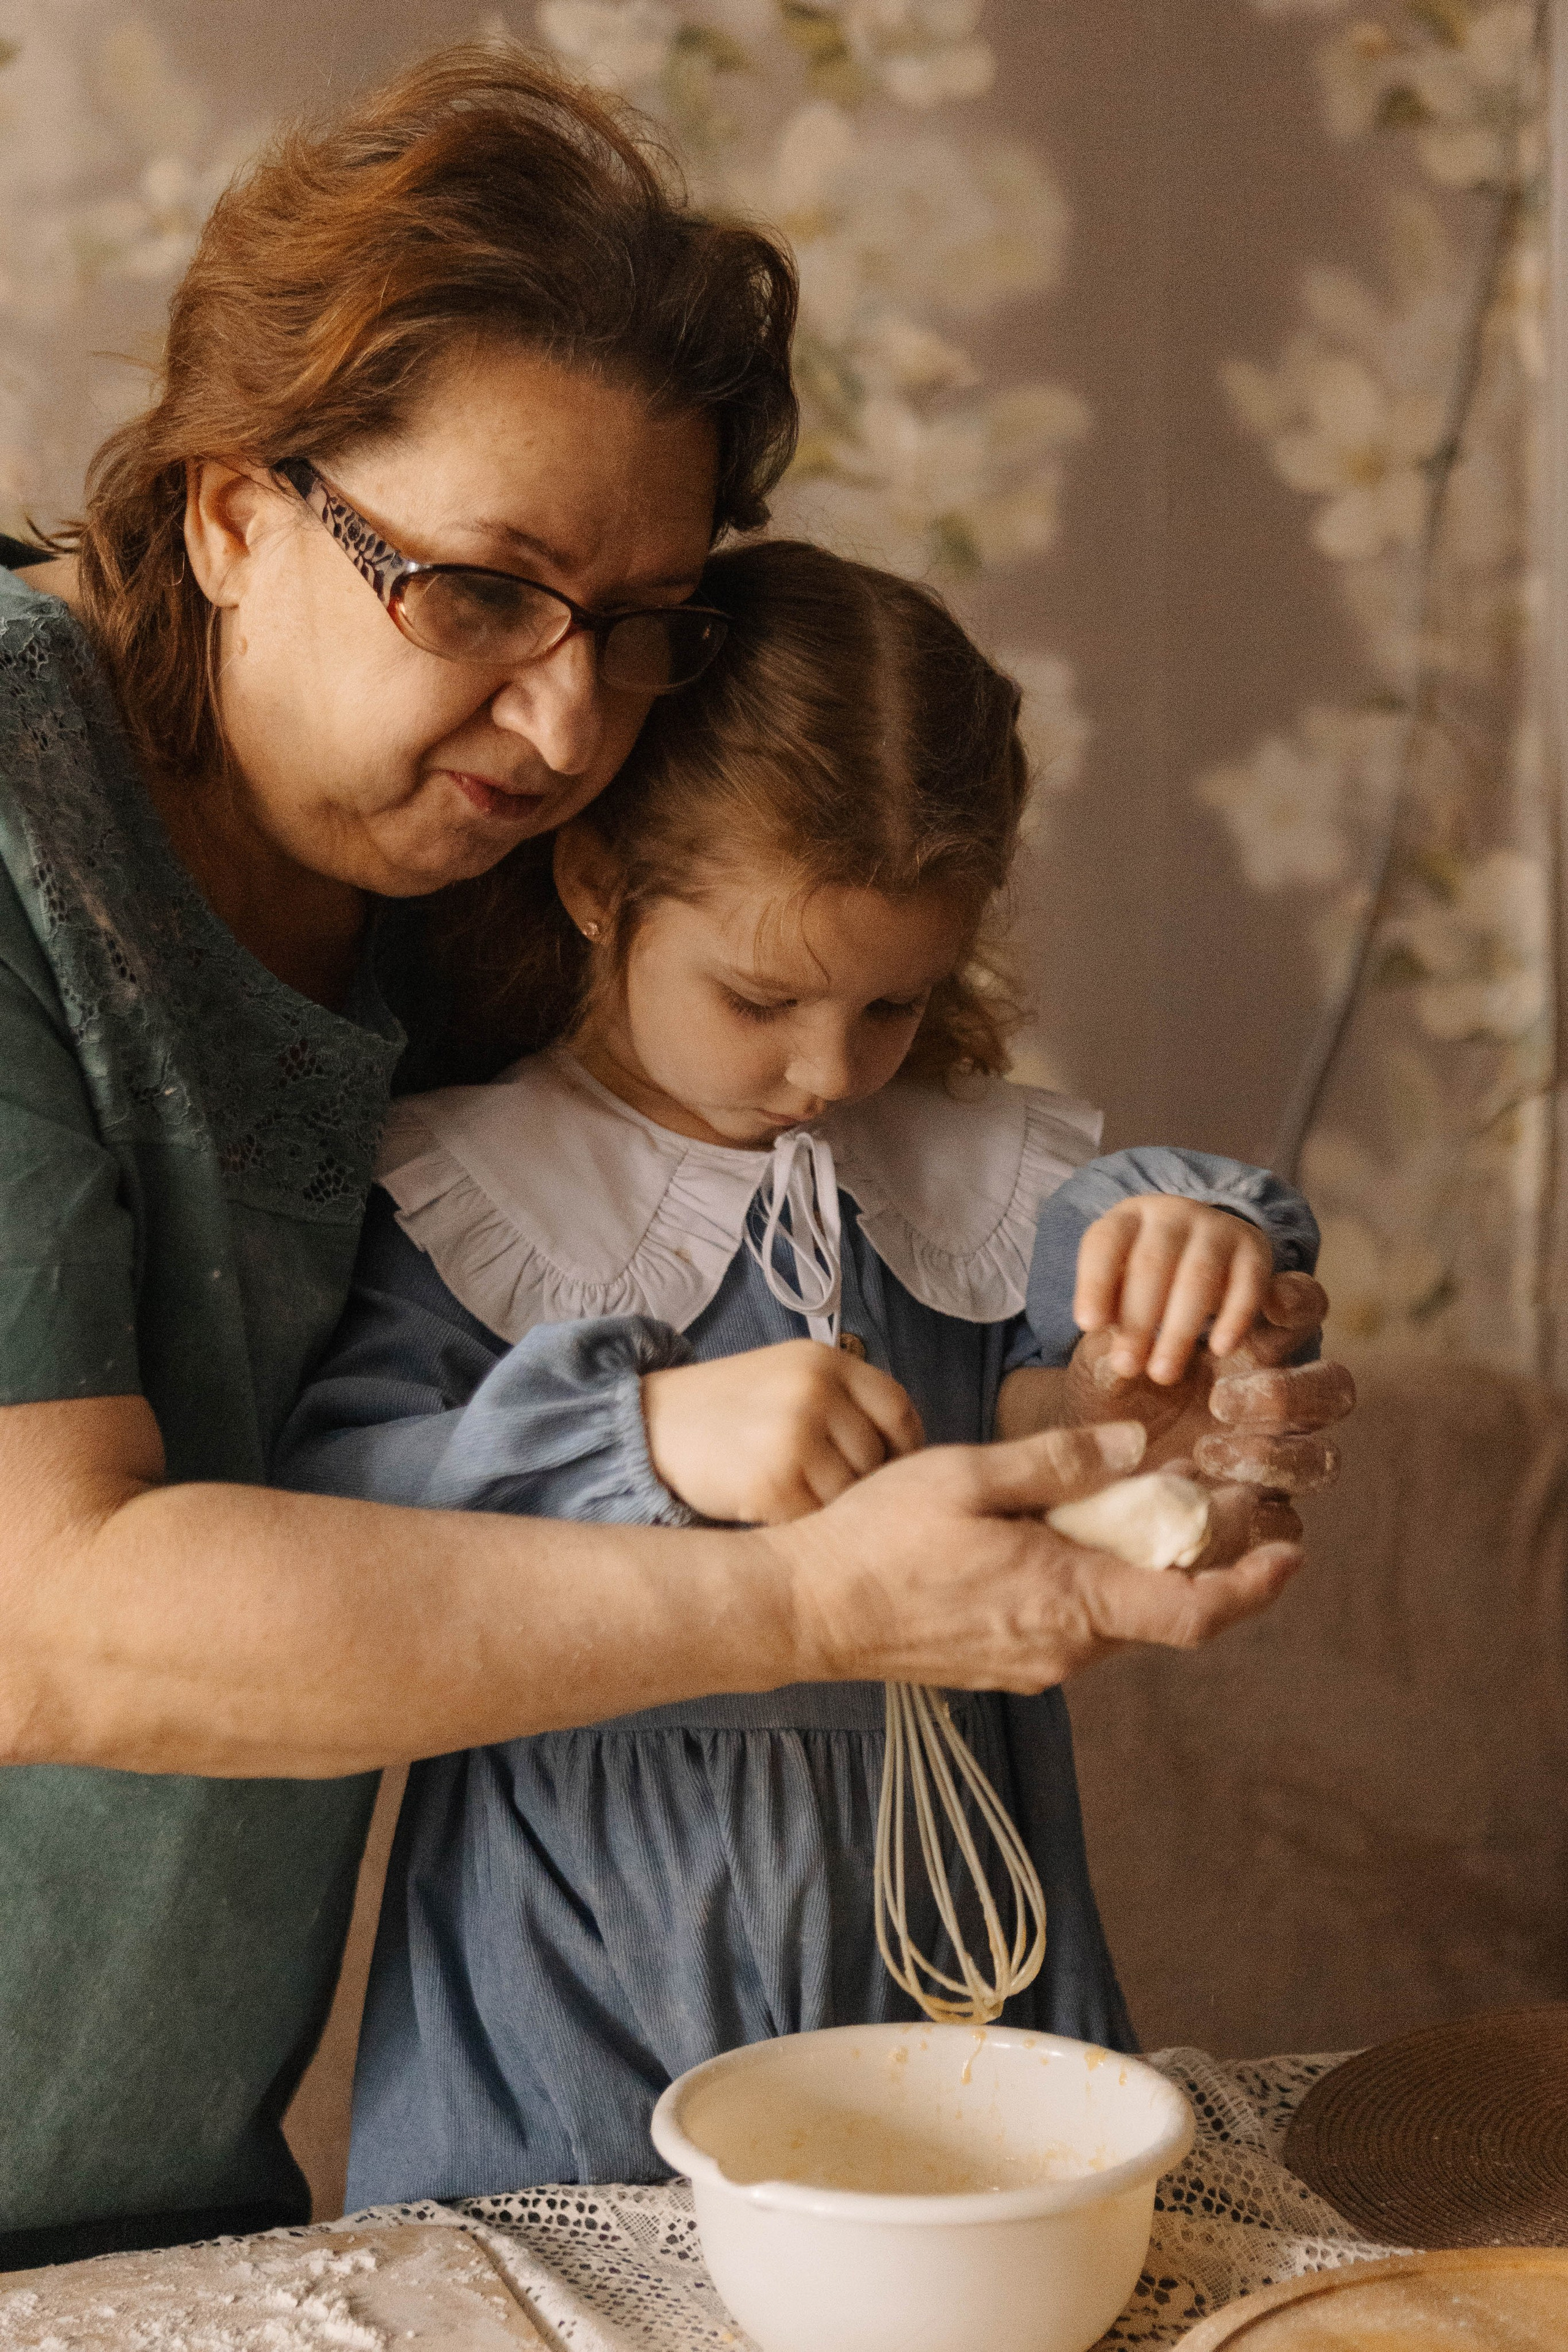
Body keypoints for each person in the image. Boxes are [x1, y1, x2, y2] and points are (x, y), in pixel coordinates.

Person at [0, 45, 1350, 2263]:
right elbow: (45, 1614)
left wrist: (1173, 1341)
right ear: (231, 507)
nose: (562, 728)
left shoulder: (476, 897)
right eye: (479, 588)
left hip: (167, 2207)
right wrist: (809, 1590)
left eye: (637, 629)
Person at [277, 540, 1341, 2200]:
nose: (829, 1073)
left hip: (943, 1921)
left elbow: (1120, 1334)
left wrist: (1201, 1246)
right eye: (763, 997)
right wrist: (645, 1438)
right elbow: (327, 1506)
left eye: (894, 1008)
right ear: (597, 884)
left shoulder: (955, 1181)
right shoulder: (475, 1190)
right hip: (575, 1956)